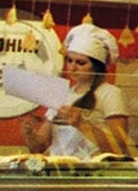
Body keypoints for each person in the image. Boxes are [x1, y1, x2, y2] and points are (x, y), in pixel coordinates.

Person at [20, 23, 130, 158]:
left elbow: (119, 147)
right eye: (69, 61)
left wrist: (81, 124)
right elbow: (39, 148)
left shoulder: (110, 94)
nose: (72, 68)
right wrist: (29, 133)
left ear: (97, 66)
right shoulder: (62, 94)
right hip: (60, 167)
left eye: (80, 63)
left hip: (92, 168)